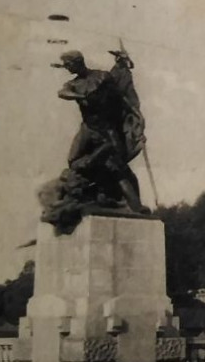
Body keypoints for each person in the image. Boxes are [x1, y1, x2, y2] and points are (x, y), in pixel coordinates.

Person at [39, 48, 149, 232]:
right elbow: (63, 92)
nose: (66, 68)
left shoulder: (101, 77)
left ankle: (136, 206)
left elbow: (120, 97)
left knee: (117, 169)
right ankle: (92, 191)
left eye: (68, 64)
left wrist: (136, 113)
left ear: (77, 62)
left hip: (107, 130)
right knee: (74, 161)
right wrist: (82, 96)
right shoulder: (73, 85)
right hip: (88, 129)